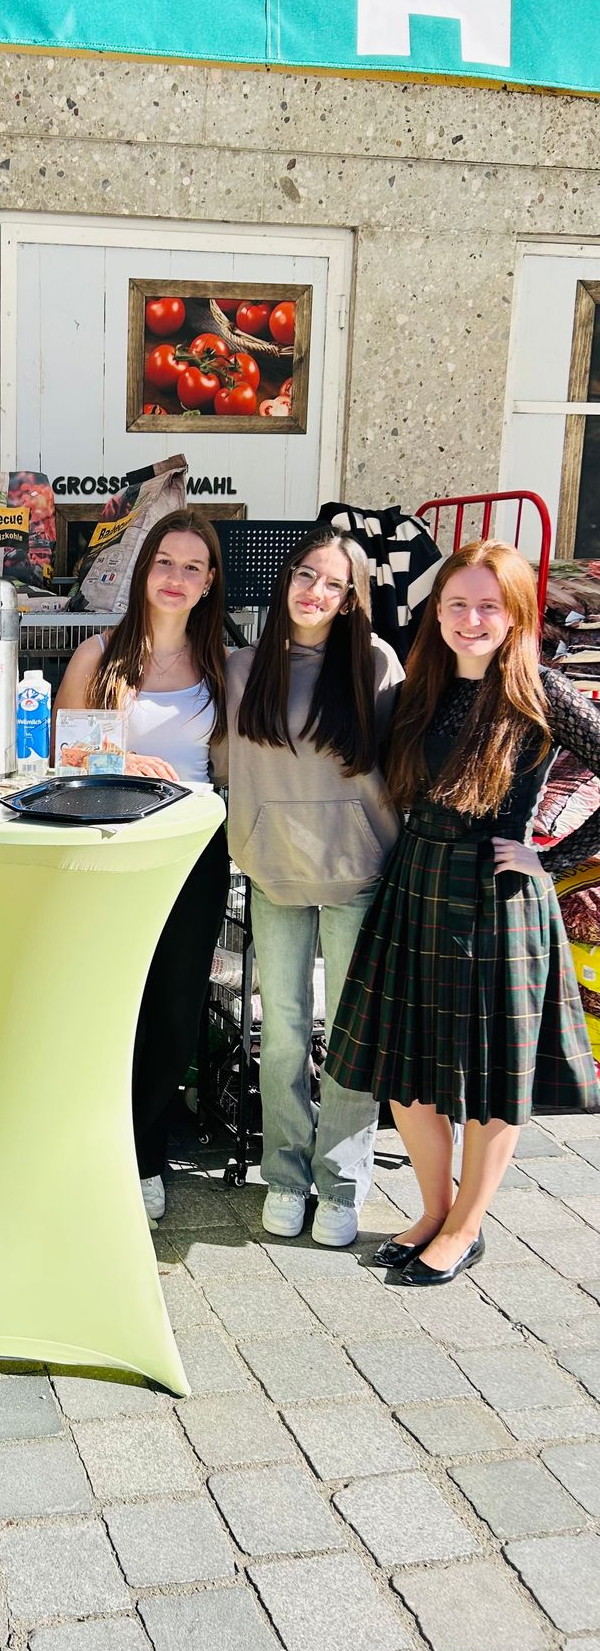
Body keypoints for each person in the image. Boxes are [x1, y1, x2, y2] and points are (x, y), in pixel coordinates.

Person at [326, 540, 600, 1284]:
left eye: (488, 606)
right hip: (416, 880)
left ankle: (467, 1226)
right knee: (402, 1066)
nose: (471, 619)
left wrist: (556, 859)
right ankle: (434, 1208)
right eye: (457, 604)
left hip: (496, 898)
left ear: (515, 616)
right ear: (436, 611)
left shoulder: (541, 691)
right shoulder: (424, 684)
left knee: (489, 1078)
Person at [224, 529, 404, 1247]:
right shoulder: (241, 668)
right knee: (285, 1034)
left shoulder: (374, 663)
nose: (314, 592)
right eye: (305, 575)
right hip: (272, 872)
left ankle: (341, 1183)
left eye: (333, 584)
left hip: (356, 871)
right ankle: (286, 1176)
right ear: (286, 578)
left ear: (352, 597)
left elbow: (402, 760)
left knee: (349, 1039)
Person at [55, 512, 229, 1225]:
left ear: (209, 581)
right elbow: (58, 756)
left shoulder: (225, 661)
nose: (177, 578)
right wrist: (123, 763)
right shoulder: (97, 656)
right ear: (143, 570)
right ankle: (94, 1149)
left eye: (193, 567)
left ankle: (145, 1153)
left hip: (194, 854)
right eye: (165, 563)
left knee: (175, 1012)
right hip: (112, 852)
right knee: (109, 1007)